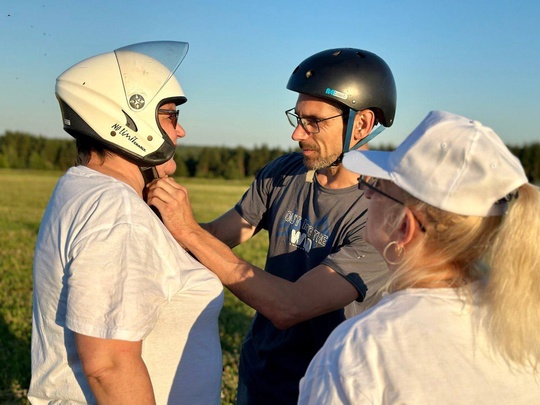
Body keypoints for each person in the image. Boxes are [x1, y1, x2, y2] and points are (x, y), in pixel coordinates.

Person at [147, 48, 397, 404]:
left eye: (315, 121)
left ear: (362, 124)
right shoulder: (285, 173)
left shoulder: (381, 212)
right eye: (298, 117)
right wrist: (149, 206)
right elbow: (217, 237)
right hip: (261, 373)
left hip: (327, 388)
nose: (298, 133)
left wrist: (187, 229)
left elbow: (289, 307)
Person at [28, 41, 224, 404]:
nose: (180, 132)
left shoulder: (81, 186)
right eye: (170, 115)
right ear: (125, 120)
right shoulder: (117, 211)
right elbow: (110, 365)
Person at [298, 110, 540, 404]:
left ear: (404, 227)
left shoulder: (358, 352)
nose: (367, 196)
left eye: (375, 186)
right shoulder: (523, 321)